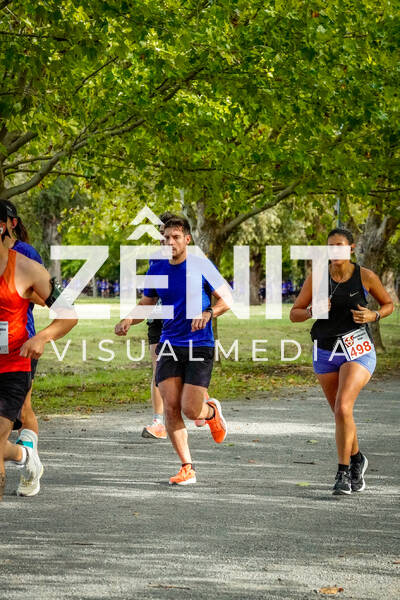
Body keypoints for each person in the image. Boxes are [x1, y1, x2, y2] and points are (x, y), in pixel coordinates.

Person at [115, 216, 230, 485]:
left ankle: (211, 412)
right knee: (170, 406)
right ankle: (187, 467)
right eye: (166, 237)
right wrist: (129, 319)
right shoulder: (157, 267)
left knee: (191, 409)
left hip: (199, 344)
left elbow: (227, 299)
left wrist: (209, 312)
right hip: (169, 343)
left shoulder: (201, 265)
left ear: (187, 239)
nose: (170, 242)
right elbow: (148, 302)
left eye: (176, 237)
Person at [290, 227, 394, 495]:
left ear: (351, 248)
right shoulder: (318, 277)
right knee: (340, 413)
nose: (335, 250)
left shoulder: (365, 276)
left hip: (357, 349)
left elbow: (388, 304)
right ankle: (357, 458)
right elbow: (295, 313)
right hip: (325, 351)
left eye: (340, 245)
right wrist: (312, 311)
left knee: (343, 406)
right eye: (330, 246)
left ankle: (343, 472)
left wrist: (373, 316)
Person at [0, 200, 78, 500]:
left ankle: (28, 460)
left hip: (17, 358)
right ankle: (25, 455)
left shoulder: (26, 262)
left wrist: (41, 338)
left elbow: (62, 310)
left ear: (6, 226)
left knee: (23, 412)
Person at [3, 201, 45, 496]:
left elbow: (44, 296)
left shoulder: (26, 255)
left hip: (21, 343)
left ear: (11, 223)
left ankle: (30, 467)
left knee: (24, 408)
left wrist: (20, 291)